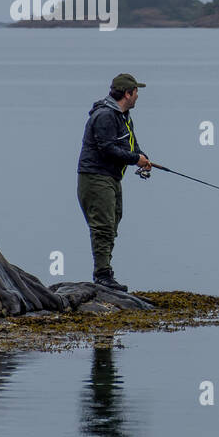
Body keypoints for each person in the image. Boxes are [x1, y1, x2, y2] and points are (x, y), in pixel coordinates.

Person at [76, 74, 152, 291]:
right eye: (136, 92)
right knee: (103, 226)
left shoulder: (124, 116)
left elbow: (131, 146)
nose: (138, 96)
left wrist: (142, 158)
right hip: (95, 177)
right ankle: (102, 275)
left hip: (111, 178)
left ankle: (106, 271)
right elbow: (107, 149)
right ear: (127, 93)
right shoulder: (105, 116)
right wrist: (134, 159)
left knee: (113, 222)